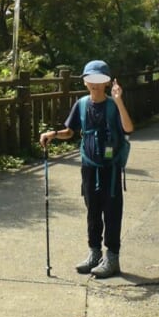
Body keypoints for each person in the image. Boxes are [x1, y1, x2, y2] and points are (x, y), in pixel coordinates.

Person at [39, 60, 134, 279]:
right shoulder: (81, 104)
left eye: (100, 80)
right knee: (92, 212)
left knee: (112, 212)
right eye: (90, 79)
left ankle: (112, 258)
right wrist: (52, 135)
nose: (95, 84)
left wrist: (119, 101)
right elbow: (70, 131)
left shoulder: (112, 105)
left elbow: (128, 128)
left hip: (110, 170)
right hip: (89, 167)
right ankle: (94, 253)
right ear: (85, 82)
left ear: (108, 83)